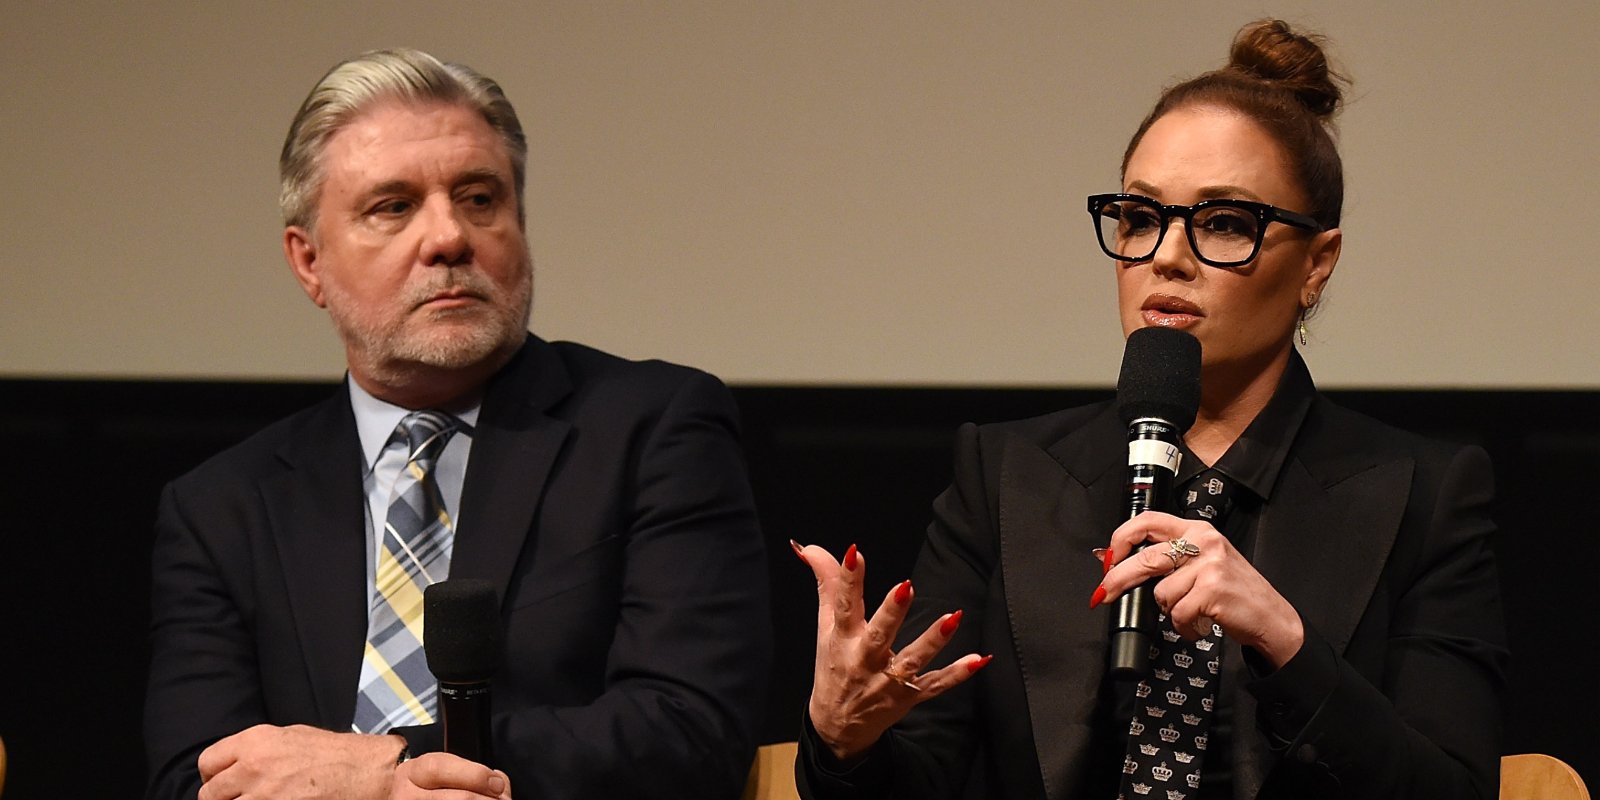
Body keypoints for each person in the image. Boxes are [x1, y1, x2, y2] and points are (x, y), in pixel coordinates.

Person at [793, 19, 1506, 800]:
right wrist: (846, 745)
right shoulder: (1005, 476)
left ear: (1317, 264)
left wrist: (1288, 645)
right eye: (1139, 216)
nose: (1166, 254)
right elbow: (923, 779)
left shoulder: (1423, 496)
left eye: (1225, 223)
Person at [144, 48, 770, 800]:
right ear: (308, 262)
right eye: (394, 207)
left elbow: (690, 730)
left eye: (479, 198)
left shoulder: (649, 431)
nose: (449, 237)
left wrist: (382, 772)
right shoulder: (224, 507)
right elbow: (193, 779)